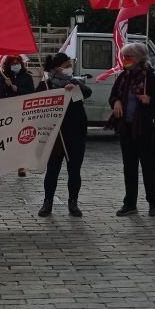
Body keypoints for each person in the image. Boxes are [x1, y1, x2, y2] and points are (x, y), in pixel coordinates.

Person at [108, 42, 155, 218]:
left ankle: (154, 204)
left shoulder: (153, 77)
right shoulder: (124, 76)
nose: (125, 60)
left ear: (138, 57)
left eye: (128, 57)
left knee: (149, 168)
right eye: (124, 57)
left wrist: (150, 99)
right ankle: (129, 204)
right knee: (129, 168)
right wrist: (115, 101)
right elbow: (113, 95)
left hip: (146, 129)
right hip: (126, 128)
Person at [38, 52, 91, 217]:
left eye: (70, 65)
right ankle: (47, 203)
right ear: (56, 68)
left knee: (74, 170)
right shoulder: (46, 85)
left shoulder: (74, 82)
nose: (69, 68)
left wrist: (74, 88)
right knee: (52, 170)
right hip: (55, 136)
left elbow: (87, 92)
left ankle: (73, 203)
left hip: (75, 134)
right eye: (66, 65)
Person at [0, 54, 35, 177]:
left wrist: (16, 88)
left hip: (23, 112)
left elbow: (31, 94)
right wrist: (5, 85)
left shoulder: (27, 77)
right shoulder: (3, 77)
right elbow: (0, 95)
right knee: (7, 139)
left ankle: (21, 165)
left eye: (17, 62)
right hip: (9, 112)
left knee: (22, 138)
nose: (15, 65)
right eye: (12, 63)